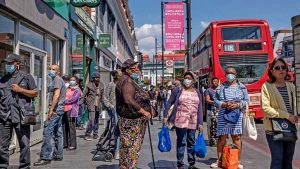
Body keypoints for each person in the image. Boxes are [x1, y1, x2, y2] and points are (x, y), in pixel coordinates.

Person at [0, 54, 38, 169]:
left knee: (24, 145)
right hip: (4, 116)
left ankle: (25, 167)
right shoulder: (3, 79)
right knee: (2, 146)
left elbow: (35, 93)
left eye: (10, 63)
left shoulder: (26, 77)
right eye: (7, 63)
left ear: (17, 64)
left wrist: (20, 89)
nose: (8, 65)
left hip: (21, 116)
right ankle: (2, 166)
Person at [261, 58, 298, 169]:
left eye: (283, 67)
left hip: (290, 128)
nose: (281, 70)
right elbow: (266, 108)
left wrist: (295, 117)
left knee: (288, 161)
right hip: (274, 130)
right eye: (277, 68)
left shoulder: (291, 87)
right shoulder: (267, 86)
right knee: (277, 159)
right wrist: (287, 116)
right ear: (272, 71)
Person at [115, 59, 152, 169]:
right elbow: (128, 100)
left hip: (129, 121)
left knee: (127, 148)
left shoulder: (126, 79)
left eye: (137, 68)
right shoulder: (127, 81)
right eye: (134, 68)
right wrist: (144, 111)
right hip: (132, 122)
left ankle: (125, 166)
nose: (137, 70)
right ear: (127, 70)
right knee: (132, 149)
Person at [210, 67, 249, 169]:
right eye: (227, 73)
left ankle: (236, 161)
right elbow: (215, 100)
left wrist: (237, 105)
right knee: (221, 137)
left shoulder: (242, 87)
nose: (229, 75)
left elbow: (246, 101)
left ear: (236, 74)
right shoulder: (220, 87)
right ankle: (219, 160)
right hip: (223, 115)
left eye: (231, 73)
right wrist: (223, 104)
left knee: (236, 138)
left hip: (236, 115)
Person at [163, 71, 203, 169]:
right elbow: (169, 103)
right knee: (181, 141)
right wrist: (165, 116)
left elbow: (200, 108)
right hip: (180, 119)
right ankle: (180, 164)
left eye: (189, 78)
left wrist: (200, 123)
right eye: (186, 78)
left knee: (191, 141)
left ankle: (191, 164)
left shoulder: (197, 92)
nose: (187, 80)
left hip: (193, 120)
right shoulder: (178, 90)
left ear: (193, 81)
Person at [34, 64, 66, 166]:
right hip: (59, 109)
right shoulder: (58, 80)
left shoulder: (57, 79)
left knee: (47, 130)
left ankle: (45, 156)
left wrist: (51, 110)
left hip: (56, 110)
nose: (51, 71)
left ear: (58, 72)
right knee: (58, 131)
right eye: (50, 69)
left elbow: (56, 95)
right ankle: (58, 154)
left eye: (53, 69)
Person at [102, 69, 122, 159]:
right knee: (116, 130)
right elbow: (105, 98)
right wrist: (110, 106)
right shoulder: (110, 85)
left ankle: (119, 149)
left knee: (121, 130)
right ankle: (116, 150)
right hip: (114, 111)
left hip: (122, 110)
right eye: (120, 73)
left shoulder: (122, 85)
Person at [83, 72, 104, 141]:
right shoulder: (89, 85)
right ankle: (87, 134)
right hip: (91, 103)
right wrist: (83, 102)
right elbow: (84, 94)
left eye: (98, 77)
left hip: (98, 104)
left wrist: (103, 105)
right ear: (93, 78)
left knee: (96, 119)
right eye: (95, 77)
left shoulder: (101, 85)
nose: (97, 79)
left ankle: (95, 133)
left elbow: (103, 95)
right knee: (91, 119)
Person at [63, 75, 81, 150]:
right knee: (64, 127)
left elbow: (73, 100)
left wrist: (64, 101)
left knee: (71, 127)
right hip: (64, 109)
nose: (71, 81)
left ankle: (73, 144)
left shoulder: (77, 90)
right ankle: (65, 143)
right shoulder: (67, 88)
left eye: (73, 80)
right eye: (70, 80)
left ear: (76, 81)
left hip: (72, 109)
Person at [205, 77, 219, 146]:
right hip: (210, 110)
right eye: (213, 81)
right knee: (210, 125)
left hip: (219, 111)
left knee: (218, 125)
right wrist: (216, 102)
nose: (215, 82)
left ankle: (218, 140)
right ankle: (211, 140)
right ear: (211, 82)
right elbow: (207, 100)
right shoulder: (208, 90)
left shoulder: (220, 89)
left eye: (216, 81)